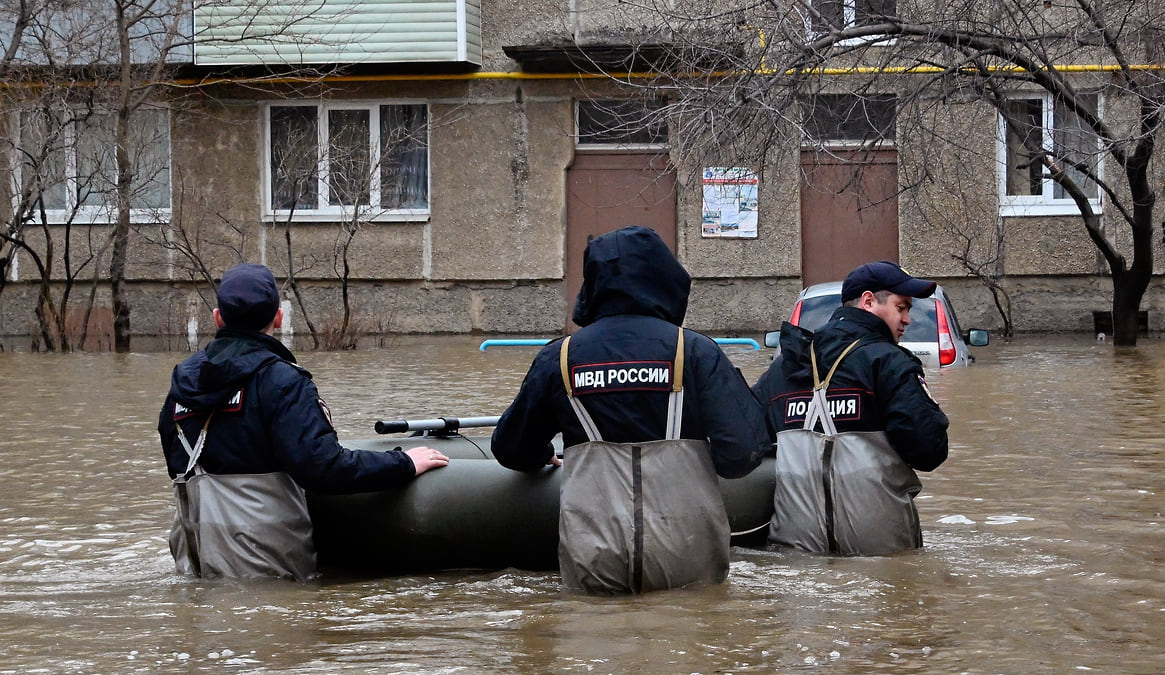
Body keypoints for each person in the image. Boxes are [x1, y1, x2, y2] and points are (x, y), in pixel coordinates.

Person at [491, 226, 771, 595]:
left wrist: (547, 455)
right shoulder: (697, 352)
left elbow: (511, 449)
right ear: (665, 276)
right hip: (687, 552)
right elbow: (743, 454)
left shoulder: (557, 358)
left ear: (593, 284)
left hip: (593, 555)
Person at [158, 263, 449, 581]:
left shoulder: (182, 386)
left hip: (193, 554)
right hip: (262, 559)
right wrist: (403, 463)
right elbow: (323, 468)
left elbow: (177, 464)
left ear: (217, 318)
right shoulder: (281, 380)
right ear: (279, 319)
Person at [752, 261, 949, 556]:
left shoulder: (784, 367)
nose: (907, 319)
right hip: (880, 551)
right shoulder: (890, 363)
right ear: (869, 301)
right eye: (902, 307)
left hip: (798, 555)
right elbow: (929, 450)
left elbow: (746, 442)